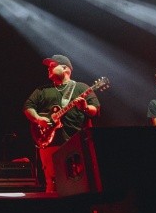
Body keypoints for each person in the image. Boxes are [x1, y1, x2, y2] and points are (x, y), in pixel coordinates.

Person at [23, 54, 100, 193]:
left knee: (78, 182)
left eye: (52, 66)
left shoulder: (81, 87)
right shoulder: (42, 90)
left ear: (65, 69)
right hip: (49, 143)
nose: (48, 68)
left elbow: (95, 109)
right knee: (51, 182)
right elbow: (28, 107)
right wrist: (38, 119)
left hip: (75, 142)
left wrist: (85, 107)